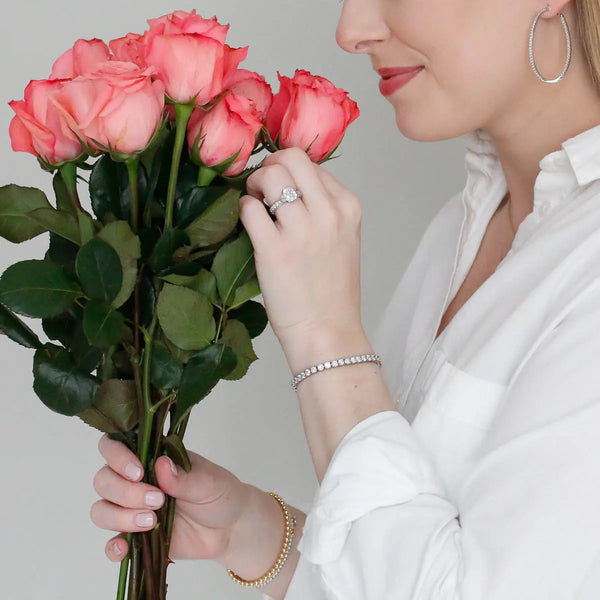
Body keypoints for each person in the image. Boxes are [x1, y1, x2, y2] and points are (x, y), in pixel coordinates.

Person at [90, 0, 600, 598]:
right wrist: (251, 531)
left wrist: (323, 334)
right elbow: (416, 570)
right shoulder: (468, 222)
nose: (351, 31)